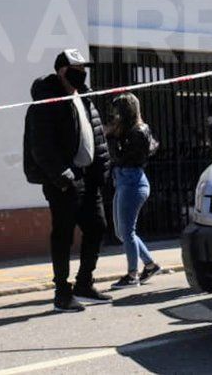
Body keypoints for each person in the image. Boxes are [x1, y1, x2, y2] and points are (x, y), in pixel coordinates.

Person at [22, 49, 112, 312]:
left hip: (88, 177)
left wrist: (101, 168)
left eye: (84, 68)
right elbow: (41, 146)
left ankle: (85, 282)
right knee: (63, 234)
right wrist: (63, 176)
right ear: (62, 70)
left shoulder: (83, 96)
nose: (82, 72)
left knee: (97, 226)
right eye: (77, 68)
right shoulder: (46, 101)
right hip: (64, 180)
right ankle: (62, 291)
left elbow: (96, 133)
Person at [106, 93, 162, 288]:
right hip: (125, 181)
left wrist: (112, 138)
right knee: (122, 232)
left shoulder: (138, 131)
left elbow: (122, 158)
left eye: (117, 111)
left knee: (127, 231)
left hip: (132, 182)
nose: (114, 115)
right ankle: (150, 264)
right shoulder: (132, 130)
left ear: (125, 111)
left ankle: (132, 275)